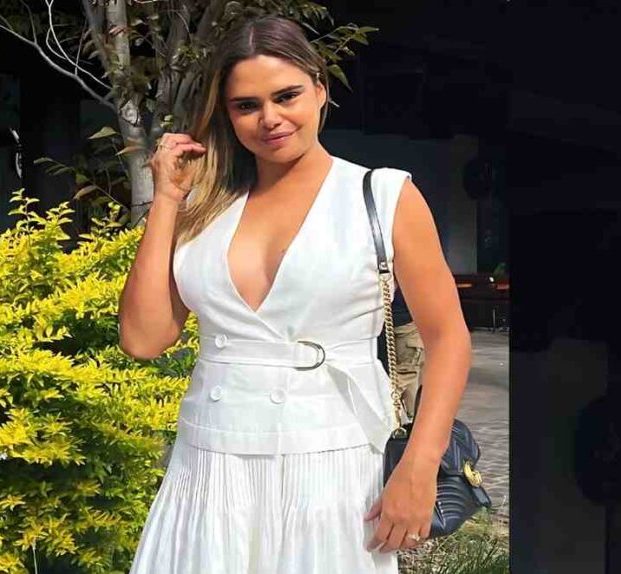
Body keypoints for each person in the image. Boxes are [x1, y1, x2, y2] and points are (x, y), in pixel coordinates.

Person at [117, 14, 470, 574]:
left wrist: (420, 466)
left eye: (287, 96)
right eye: (246, 105)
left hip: (333, 467)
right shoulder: (203, 210)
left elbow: (448, 338)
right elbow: (142, 338)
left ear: (320, 90)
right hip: (209, 470)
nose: (270, 119)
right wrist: (165, 199)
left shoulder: (382, 194)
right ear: (227, 114)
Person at [379, 286, 427, 419]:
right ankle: (386, 406)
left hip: (378, 323)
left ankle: (408, 416)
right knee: (408, 371)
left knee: (403, 372)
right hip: (405, 321)